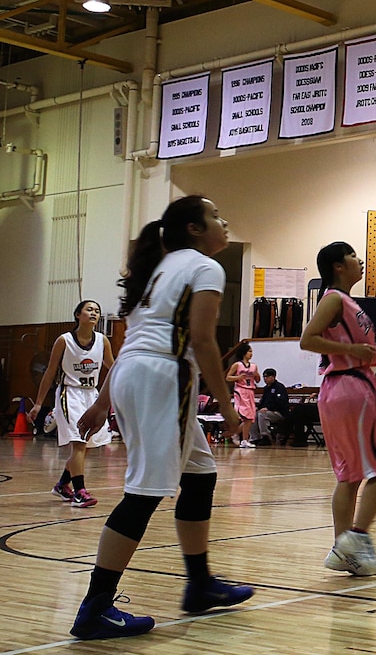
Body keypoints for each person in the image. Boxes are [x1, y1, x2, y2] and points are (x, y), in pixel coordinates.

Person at [69, 195, 252, 640]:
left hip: (137, 374)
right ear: (193, 228)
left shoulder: (161, 269)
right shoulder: (205, 267)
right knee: (143, 494)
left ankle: (199, 584)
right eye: (215, 216)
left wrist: (102, 402)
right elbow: (206, 342)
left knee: (201, 474)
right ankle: (94, 608)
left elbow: (131, 344)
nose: (223, 221)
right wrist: (228, 408)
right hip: (162, 378)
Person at [300, 241, 376, 576]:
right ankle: (355, 538)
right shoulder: (333, 298)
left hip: (341, 388)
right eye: (353, 256)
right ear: (337, 266)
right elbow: (308, 339)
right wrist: (355, 351)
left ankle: (343, 550)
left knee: (349, 476)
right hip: (351, 389)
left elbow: (352, 350)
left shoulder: (346, 302)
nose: (360, 261)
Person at [29, 300, 116, 508]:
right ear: (78, 314)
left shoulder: (102, 341)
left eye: (97, 310)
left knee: (86, 447)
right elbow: (49, 371)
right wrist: (39, 404)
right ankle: (80, 492)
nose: (94, 313)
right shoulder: (64, 340)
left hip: (92, 395)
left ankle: (62, 485)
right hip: (70, 393)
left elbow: (113, 367)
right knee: (78, 442)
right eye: (89, 309)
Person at [225, 342, 258, 447]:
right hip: (240, 391)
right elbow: (228, 377)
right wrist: (238, 378)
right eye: (249, 351)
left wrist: (257, 375)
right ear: (244, 353)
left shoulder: (254, 366)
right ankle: (244, 440)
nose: (251, 353)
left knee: (251, 418)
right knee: (246, 417)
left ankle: (237, 435)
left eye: (252, 351)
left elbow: (257, 380)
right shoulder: (237, 365)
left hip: (250, 391)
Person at [253, 368, 291, 445]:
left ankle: (266, 437)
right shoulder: (266, 389)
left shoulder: (279, 387)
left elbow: (281, 402)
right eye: (264, 377)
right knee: (252, 415)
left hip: (278, 412)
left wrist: (268, 408)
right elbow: (263, 402)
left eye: (267, 377)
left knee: (262, 415)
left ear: (273, 377)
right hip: (267, 411)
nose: (265, 379)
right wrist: (258, 408)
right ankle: (255, 438)